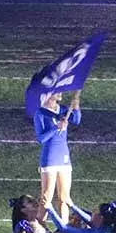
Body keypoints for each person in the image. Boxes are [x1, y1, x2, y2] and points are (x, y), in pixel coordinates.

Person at [35, 90, 81, 224]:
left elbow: (76, 120)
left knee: (64, 197)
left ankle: (64, 230)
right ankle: (39, 230)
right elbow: (41, 138)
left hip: (64, 157)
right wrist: (56, 127)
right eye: (57, 91)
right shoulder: (41, 113)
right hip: (50, 158)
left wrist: (76, 107)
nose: (60, 93)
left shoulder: (64, 110)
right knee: (46, 197)